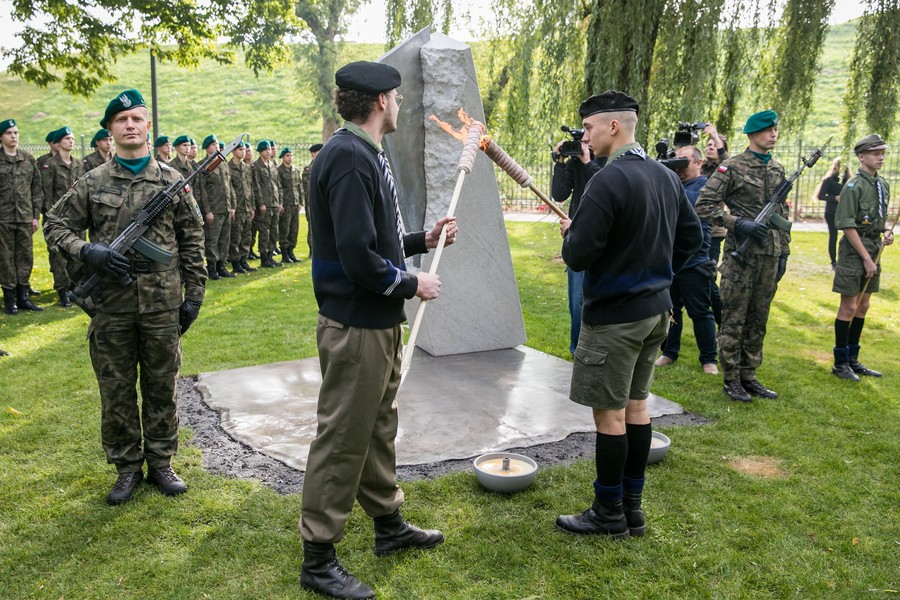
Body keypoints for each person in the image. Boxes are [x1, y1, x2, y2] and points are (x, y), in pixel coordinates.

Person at [299, 61, 458, 600]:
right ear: (382, 100)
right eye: (398, 97)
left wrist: (420, 238)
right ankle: (318, 557)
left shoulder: (364, 153)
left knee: (376, 427)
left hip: (378, 321)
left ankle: (388, 526)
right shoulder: (347, 157)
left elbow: (377, 240)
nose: (402, 105)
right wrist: (414, 284)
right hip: (356, 324)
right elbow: (357, 258)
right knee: (344, 436)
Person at [44, 89, 206, 505]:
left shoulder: (172, 181)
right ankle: (127, 469)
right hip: (111, 306)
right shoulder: (93, 181)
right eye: (121, 120)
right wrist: (89, 252)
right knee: (115, 389)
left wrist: (194, 295)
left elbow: (192, 240)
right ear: (110, 130)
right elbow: (56, 226)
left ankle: (162, 463)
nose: (129, 125)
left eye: (136, 118)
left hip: (162, 304)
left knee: (161, 386)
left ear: (147, 125)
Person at [556, 91, 702, 539]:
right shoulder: (664, 176)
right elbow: (691, 239)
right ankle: (632, 509)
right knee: (637, 408)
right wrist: (655, 273)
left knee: (610, 416)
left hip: (616, 318)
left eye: (589, 128)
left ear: (613, 127)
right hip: (655, 312)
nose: (585, 136)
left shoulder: (606, 181)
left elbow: (578, 255)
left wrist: (572, 232)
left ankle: (608, 511)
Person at [696, 110, 790, 403]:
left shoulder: (777, 169)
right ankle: (731, 378)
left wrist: (784, 251)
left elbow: (781, 214)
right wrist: (738, 222)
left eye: (775, 130)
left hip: (770, 256)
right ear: (752, 134)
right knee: (734, 317)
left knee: (758, 318)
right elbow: (704, 205)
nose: (773, 134)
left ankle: (750, 375)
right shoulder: (731, 167)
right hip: (741, 257)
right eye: (767, 130)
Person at [830, 134, 893, 380]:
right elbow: (846, 224)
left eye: (882, 153)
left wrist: (886, 233)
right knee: (849, 305)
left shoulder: (882, 184)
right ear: (861, 156)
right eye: (876, 153)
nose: (880, 158)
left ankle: (853, 359)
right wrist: (866, 258)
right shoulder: (853, 186)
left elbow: (879, 218)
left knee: (863, 305)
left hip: (873, 246)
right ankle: (840, 363)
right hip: (854, 250)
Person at [655, 145, 718, 373]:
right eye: (676, 161)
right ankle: (669, 353)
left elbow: (691, 203)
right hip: (670, 260)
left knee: (700, 311)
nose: (679, 167)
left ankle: (709, 360)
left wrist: (667, 177)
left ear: (699, 163)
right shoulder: (674, 185)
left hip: (695, 261)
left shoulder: (706, 185)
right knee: (671, 312)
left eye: (684, 162)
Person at [551, 132, 605, 355]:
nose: (583, 145)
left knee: (599, 299)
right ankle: (577, 349)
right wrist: (560, 162)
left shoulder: (605, 161)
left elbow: (604, 187)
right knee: (576, 301)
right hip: (577, 235)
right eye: (580, 142)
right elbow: (559, 194)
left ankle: (598, 348)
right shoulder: (573, 163)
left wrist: (588, 162)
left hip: (601, 238)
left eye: (586, 141)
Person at [0, 118, 44, 314]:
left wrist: (35, 215)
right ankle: (10, 300)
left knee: (25, 257)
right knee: (5, 258)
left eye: (16, 133)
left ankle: (23, 297)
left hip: (25, 217)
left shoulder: (27, 158)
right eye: (9, 133)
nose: (14, 136)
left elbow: (36, 188)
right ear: (1, 137)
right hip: (3, 218)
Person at [42, 126, 84, 307]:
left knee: (77, 254)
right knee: (58, 256)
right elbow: (46, 192)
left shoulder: (79, 165)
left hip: (76, 217)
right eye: (67, 138)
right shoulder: (50, 165)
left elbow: (83, 192)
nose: (71, 141)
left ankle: (76, 289)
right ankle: (62, 290)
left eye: (72, 138)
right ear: (58, 143)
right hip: (57, 219)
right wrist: (52, 216)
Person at [196, 134, 235, 279]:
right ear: (207, 148)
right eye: (213, 145)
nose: (216, 147)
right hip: (214, 209)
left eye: (217, 144)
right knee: (212, 239)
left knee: (225, 239)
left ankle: (222, 266)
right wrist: (207, 211)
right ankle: (212, 267)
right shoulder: (204, 165)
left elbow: (229, 187)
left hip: (225, 207)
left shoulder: (223, 163)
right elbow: (202, 191)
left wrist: (232, 207)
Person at [700, 125, 728, 325]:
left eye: (715, 145)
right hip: (694, 229)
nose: (711, 147)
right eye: (708, 144)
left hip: (713, 233)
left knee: (708, 281)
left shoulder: (726, 170)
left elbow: (726, 158)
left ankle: (722, 322)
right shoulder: (700, 167)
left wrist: (715, 135)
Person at [816, 157, 850, 270]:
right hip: (831, 212)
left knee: (849, 235)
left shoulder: (849, 181)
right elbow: (820, 196)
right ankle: (833, 262)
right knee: (833, 236)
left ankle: (845, 260)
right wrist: (835, 198)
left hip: (845, 212)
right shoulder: (829, 180)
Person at [251, 140, 281, 267]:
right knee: (264, 231)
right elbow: (256, 186)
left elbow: (277, 184)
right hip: (265, 204)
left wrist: (279, 202)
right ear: (260, 152)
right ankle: (264, 256)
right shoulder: (256, 166)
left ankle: (270, 254)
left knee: (274, 231)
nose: (268, 152)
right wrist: (261, 203)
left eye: (269, 149)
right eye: (266, 150)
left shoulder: (272, 164)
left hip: (274, 203)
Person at [228, 141, 256, 274]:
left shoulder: (246, 167)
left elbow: (250, 188)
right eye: (240, 149)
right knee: (236, 237)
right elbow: (229, 189)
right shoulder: (229, 167)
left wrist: (252, 206)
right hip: (237, 207)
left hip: (247, 207)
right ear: (234, 151)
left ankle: (243, 259)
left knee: (246, 235)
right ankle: (235, 261)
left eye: (244, 149)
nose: (243, 152)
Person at [276, 146, 303, 263]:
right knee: (284, 229)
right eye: (287, 155)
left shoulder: (296, 170)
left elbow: (299, 187)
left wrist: (301, 201)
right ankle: (284, 253)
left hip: (295, 203)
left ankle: (291, 251)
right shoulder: (279, 170)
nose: (290, 157)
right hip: (285, 204)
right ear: (282, 157)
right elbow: (278, 187)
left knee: (294, 229)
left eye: (291, 155)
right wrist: (280, 203)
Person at [302, 143, 322, 258]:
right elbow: (307, 189)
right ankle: (312, 249)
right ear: (313, 154)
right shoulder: (309, 169)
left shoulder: (324, 165)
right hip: (312, 203)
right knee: (313, 227)